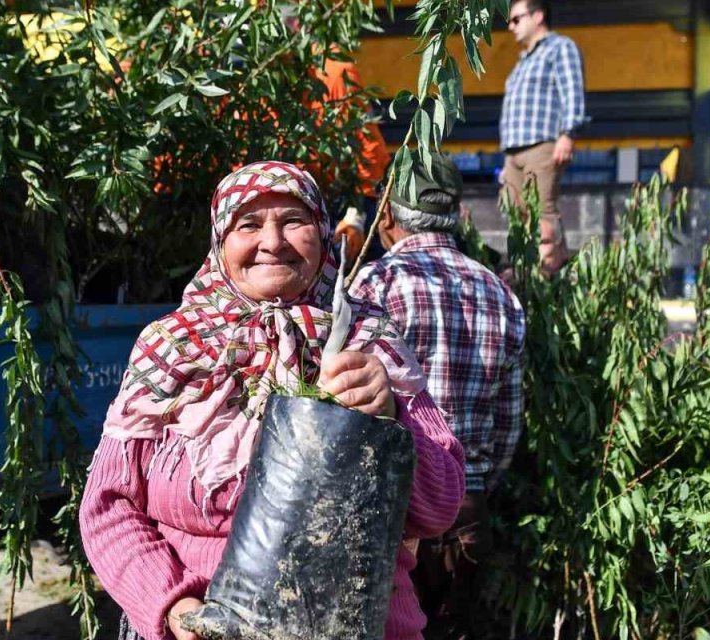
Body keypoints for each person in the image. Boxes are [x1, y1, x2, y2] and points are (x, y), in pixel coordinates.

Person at [79, 161, 465, 640]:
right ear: (221, 242)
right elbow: (108, 508)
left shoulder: (367, 342)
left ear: (324, 238)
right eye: (249, 224)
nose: (272, 241)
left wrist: (390, 416)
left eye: (294, 222)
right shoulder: (171, 347)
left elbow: (440, 508)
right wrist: (173, 605)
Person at [350, 154, 526, 640]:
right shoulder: (499, 291)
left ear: (386, 213)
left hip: (395, 511)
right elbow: (508, 423)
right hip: (466, 513)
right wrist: (471, 488)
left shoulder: (376, 282)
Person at [499, 0, 587, 275]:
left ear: (538, 16)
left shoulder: (560, 48)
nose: (511, 26)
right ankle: (525, 273)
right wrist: (506, 161)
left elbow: (572, 91)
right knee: (516, 213)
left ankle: (550, 276)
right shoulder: (523, 60)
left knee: (542, 214)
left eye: (516, 19)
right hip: (514, 150)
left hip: (543, 144)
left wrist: (568, 134)